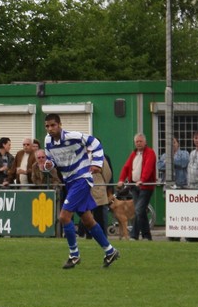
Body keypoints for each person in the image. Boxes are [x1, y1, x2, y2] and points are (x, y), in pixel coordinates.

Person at [40, 113, 120, 269]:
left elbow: (95, 143)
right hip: (69, 182)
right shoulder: (48, 141)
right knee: (88, 220)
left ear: (60, 125)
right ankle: (110, 251)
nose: (50, 129)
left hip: (81, 179)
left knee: (64, 217)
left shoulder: (73, 136)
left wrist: (97, 163)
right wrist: (49, 164)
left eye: (53, 125)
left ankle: (74, 255)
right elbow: (52, 159)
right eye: (47, 126)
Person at [117, 134, 157, 241]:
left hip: (146, 187)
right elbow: (126, 167)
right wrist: (121, 179)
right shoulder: (133, 154)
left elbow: (148, 168)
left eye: (140, 141)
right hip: (134, 186)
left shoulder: (150, 153)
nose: (138, 143)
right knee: (141, 211)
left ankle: (134, 235)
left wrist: (142, 180)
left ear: (145, 142)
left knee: (139, 210)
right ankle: (146, 236)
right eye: (137, 142)